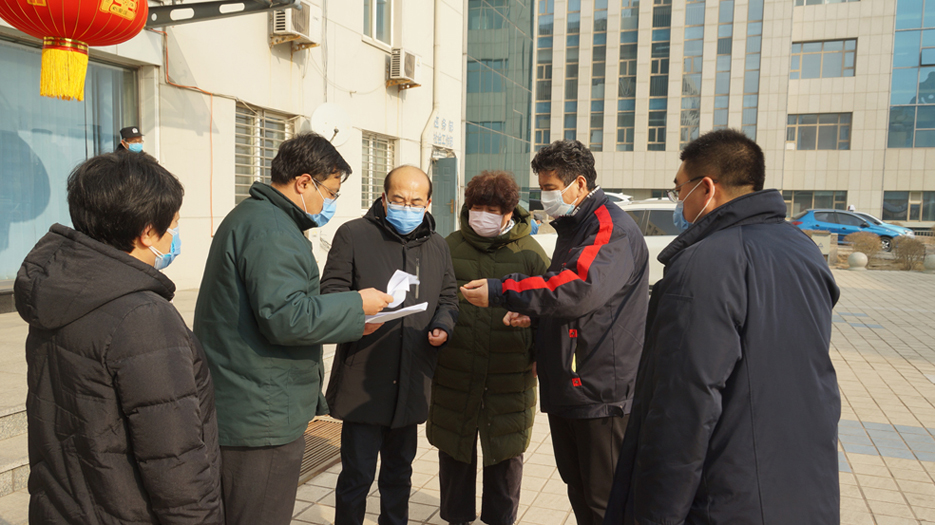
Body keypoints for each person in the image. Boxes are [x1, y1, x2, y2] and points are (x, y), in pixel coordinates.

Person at [603, 129, 841, 524]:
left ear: (706, 188)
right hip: (806, 488)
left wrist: (655, 515)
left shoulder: (704, 263)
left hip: (728, 499)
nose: (678, 200)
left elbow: (684, 406)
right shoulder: (804, 250)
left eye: (679, 189)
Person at [193, 133, 394, 525]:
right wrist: (356, 304)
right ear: (304, 182)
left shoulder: (259, 218)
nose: (330, 203)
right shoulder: (272, 230)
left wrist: (355, 319)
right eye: (330, 192)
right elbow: (287, 316)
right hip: (260, 412)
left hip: (248, 401)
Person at [14, 152, 223, 523]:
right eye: (173, 226)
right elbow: (175, 460)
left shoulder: (60, 291)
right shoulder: (144, 318)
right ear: (147, 232)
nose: (174, 237)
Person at [460, 140, 649, 525]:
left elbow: (577, 287)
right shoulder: (575, 225)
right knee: (578, 487)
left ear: (579, 184)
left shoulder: (608, 227)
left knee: (603, 499)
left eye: (550, 188)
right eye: (542, 188)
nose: (545, 197)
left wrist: (501, 291)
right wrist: (534, 318)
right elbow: (573, 302)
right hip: (572, 382)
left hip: (599, 389)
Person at [321, 165, 459, 525]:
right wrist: (356, 314)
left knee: (399, 475)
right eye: (398, 199)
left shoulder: (437, 245)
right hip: (363, 379)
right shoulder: (353, 235)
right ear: (383, 198)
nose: (406, 207)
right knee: (357, 476)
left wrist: (443, 326)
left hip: (412, 377)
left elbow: (448, 298)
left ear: (428, 203)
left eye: (415, 202)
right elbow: (330, 293)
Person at [426, 171, 550, 525]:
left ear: (509, 212)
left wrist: (539, 349)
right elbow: (433, 300)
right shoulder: (448, 247)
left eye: (492, 211)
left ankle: (500, 519)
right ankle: (456, 517)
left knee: (505, 456)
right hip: (455, 370)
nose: (482, 216)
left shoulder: (530, 253)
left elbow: (551, 309)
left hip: (509, 375)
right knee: (455, 451)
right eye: (477, 208)